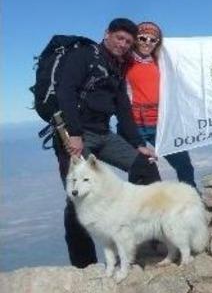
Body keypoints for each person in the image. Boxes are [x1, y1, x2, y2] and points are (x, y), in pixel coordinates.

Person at [53, 17, 161, 268]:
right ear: (107, 34)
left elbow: (122, 107)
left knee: (144, 166)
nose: (123, 44)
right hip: (75, 135)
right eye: (119, 38)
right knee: (78, 198)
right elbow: (65, 91)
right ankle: (84, 265)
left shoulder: (116, 66)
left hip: (103, 133)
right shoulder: (83, 55)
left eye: (128, 42)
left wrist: (137, 143)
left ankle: (147, 237)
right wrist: (75, 133)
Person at [126, 21, 196, 187]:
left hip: (161, 123)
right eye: (142, 38)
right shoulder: (124, 61)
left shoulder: (162, 62)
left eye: (153, 40)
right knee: (141, 171)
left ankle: (192, 197)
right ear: (135, 39)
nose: (147, 43)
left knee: (184, 164)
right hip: (134, 125)